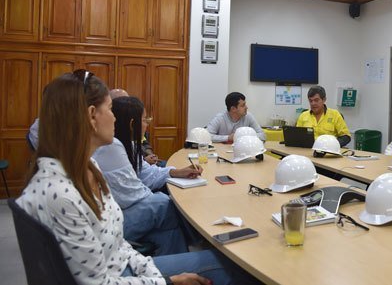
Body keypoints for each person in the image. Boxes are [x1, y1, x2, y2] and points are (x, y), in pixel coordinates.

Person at [17, 70, 253, 285]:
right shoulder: (61, 194)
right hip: (120, 277)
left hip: (127, 268)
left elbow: (118, 244)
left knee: (177, 234)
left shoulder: (88, 167)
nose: (115, 117)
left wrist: (151, 271)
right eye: (110, 109)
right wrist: (168, 281)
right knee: (232, 267)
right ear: (91, 115)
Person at [93, 96, 201, 254]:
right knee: (165, 203)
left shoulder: (128, 144)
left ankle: (177, 270)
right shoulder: (111, 147)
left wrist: (177, 172)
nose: (147, 125)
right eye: (144, 120)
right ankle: (201, 242)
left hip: (123, 214)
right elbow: (132, 196)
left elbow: (147, 174)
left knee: (169, 232)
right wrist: (156, 196)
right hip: (114, 222)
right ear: (132, 124)